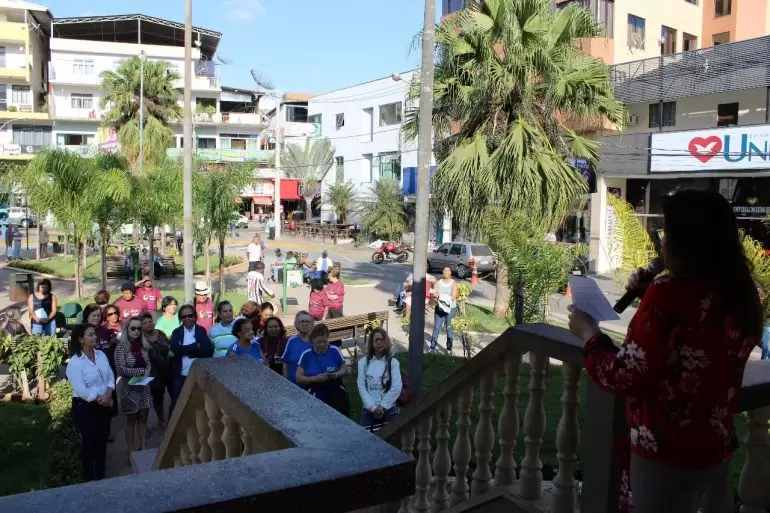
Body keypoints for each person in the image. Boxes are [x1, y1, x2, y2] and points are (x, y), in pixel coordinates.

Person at [568, 189, 762, 513]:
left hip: (665, 452)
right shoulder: (743, 294)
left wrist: (589, 335)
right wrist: (649, 296)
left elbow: (626, 375)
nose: (662, 241)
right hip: (715, 446)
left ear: (685, 242)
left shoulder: (669, 294)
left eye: (667, 232)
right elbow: (693, 343)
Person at [65, 324, 114, 481]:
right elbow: (81, 390)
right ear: (80, 339)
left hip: (104, 403)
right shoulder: (75, 363)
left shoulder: (101, 355)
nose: (95, 337)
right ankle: (89, 478)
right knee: (89, 442)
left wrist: (108, 393)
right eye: (91, 335)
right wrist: (102, 399)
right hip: (86, 407)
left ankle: (101, 475)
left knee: (102, 441)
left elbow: (110, 376)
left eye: (95, 334)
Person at [114, 316, 152, 462]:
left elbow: (148, 364)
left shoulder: (143, 346)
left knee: (143, 418)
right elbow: (121, 370)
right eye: (133, 328)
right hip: (129, 389)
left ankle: (143, 447)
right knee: (131, 420)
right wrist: (140, 372)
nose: (136, 331)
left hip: (144, 387)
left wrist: (146, 373)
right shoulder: (120, 348)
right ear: (127, 330)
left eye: (139, 328)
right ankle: (130, 451)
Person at [296, 324, 350, 415]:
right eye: (319, 342)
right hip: (315, 388)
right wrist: (315, 379)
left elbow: (345, 370)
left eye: (325, 342)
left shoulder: (334, 350)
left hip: (334, 386)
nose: (322, 344)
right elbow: (298, 377)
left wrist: (336, 375)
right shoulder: (306, 354)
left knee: (340, 412)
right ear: (312, 339)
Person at [169, 304, 214, 412]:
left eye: (190, 315)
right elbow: (175, 350)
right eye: (184, 317)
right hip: (181, 375)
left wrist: (184, 350)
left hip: (198, 373)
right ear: (181, 319)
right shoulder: (176, 332)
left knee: (199, 404)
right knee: (177, 402)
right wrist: (195, 347)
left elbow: (207, 350)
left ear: (194, 316)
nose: (187, 318)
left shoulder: (201, 330)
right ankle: (171, 427)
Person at [357, 328, 402, 432]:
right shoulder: (363, 363)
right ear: (371, 342)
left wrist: (382, 407)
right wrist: (372, 408)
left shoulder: (393, 363)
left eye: (382, 339)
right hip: (369, 410)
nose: (379, 342)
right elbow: (361, 386)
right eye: (376, 340)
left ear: (386, 341)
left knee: (391, 442)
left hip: (389, 410)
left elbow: (396, 387)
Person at [141, 312, 172, 428]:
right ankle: (144, 426)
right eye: (145, 323)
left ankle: (161, 420)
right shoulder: (139, 338)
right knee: (145, 400)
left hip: (161, 373)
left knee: (159, 397)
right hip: (145, 374)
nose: (148, 324)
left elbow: (167, 349)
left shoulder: (161, 334)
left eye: (150, 321)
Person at [429, 266, 458, 355]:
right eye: (444, 270)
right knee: (436, 328)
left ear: (450, 273)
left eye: (448, 270)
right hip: (439, 309)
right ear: (442, 272)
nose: (446, 272)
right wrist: (434, 297)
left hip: (450, 309)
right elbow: (434, 294)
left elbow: (453, 296)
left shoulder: (453, 283)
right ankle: (432, 347)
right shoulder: (438, 283)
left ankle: (449, 349)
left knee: (449, 328)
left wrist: (441, 297)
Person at [282, 311, 315, 385]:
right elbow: (285, 361)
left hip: (313, 384)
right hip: (293, 384)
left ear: (312, 324)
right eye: (302, 321)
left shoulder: (317, 341)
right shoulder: (291, 341)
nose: (305, 324)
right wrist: (285, 380)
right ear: (296, 324)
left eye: (308, 321)